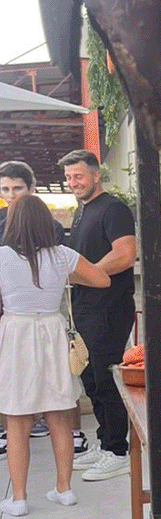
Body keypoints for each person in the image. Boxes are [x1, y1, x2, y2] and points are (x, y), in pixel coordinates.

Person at [0, 195, 109, 515]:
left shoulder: (2, 257)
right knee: (59, 415)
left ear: (13, 223)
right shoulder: (62, 255)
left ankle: (18, 498)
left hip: (16, 334)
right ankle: (64, 489)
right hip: (52, 331)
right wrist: (62, 279)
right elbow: (101, 279)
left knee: (16, 419)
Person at [60, 149, 137, 481]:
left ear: (95, 175)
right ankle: (106, 444)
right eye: (68, 178)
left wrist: (87, 275)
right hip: (86, 308)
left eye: (78, 176)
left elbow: (125, 255)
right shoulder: (82, 211)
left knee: (107, 379)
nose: (73, 183)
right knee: (90, 378)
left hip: (109, 308)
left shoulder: (114, 209)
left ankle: (119, 451)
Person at [0, 161, 84, 456]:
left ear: (31, 188)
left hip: (19, 322)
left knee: (20, 413)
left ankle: (20, 497)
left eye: (17, 188)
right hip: (41, 321)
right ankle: (64, 489)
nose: (11, 195)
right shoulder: (58, 248)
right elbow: (94, 276)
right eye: (5, 189)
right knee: (53, 406)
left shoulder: (51, 233)